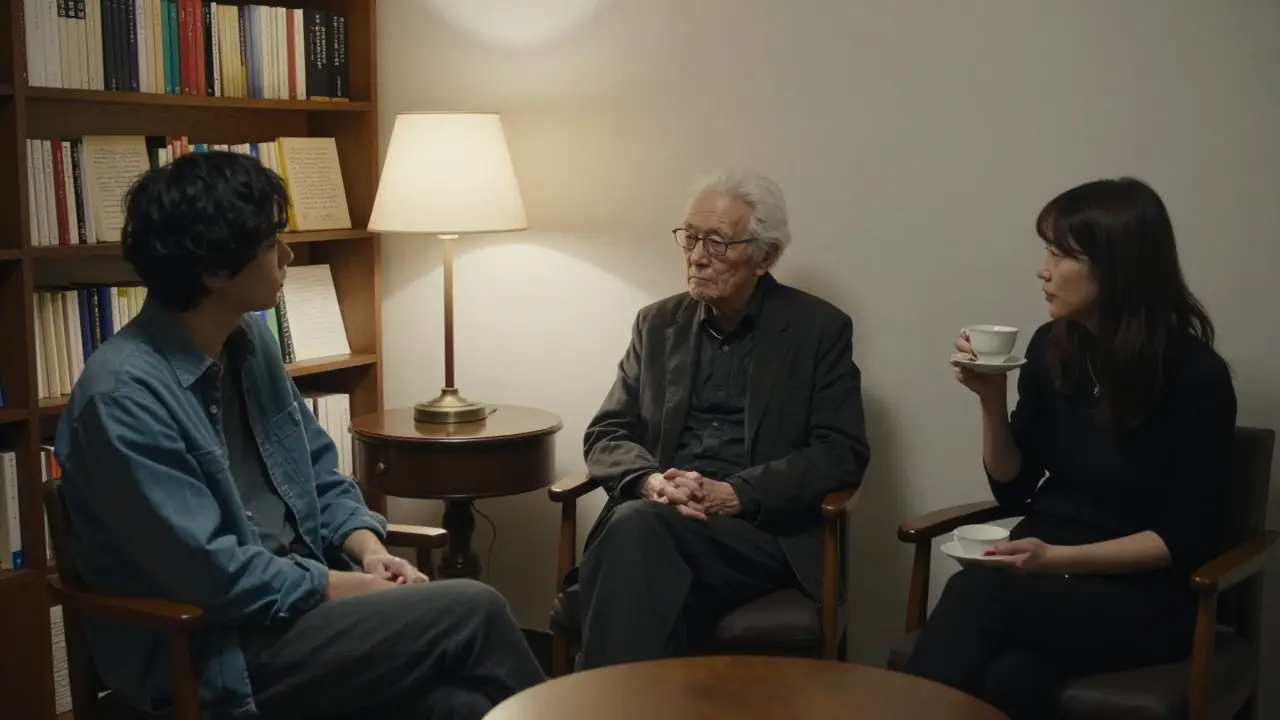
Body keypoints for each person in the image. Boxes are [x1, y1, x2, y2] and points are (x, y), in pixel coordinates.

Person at [53, 151, 545, 719]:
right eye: (270, 245)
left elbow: (317, 472)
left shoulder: (251, 342)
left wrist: (367, 550)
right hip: (215, 647)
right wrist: (340, 588)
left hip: (296, 611)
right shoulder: (123, 399)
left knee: (459, 704)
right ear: (214, 270)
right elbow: (210, 574)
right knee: (474, 609)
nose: (288, 256)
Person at [901, 177, 1237, 719]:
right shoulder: (1051, 348)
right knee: (1009, 679)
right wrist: (991, 398)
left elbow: (1184, 540)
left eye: (1060, 254)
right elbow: (1013, 487)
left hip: (1143, 597)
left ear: (1116, 266)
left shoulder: (1194, 375)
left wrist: (1056, 558)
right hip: (1048, 583)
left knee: (975, 592)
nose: (1043, 269)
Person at [569, 169, 871, 669]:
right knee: (641, 529)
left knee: (633, 538)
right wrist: (648, 481)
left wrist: (737, 494)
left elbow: (840, 452)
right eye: (690, 238)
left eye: (717, 242)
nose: (696, 256)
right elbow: (607, 432)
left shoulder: (819, 330)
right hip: (660, 517)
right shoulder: (657, 324)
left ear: (765, 256)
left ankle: (595, 695)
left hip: (757, 532)